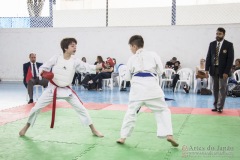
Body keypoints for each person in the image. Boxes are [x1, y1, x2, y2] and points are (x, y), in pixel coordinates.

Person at [19, 38, 104, 137]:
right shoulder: (56, 58)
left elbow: (88, 67)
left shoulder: (75, 61)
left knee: (82, 109)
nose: (75, 47)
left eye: (75, 45)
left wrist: (103, 65)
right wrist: (43, 73)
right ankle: (26, 127)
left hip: (67, 90)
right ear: (65, 48)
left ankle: (93, 129)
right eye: (72, 46)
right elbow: (43, 67)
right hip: (52, 89)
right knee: (36, 108)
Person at [116, 35, 178, 147]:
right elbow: (160, 71)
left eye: (130, 47)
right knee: (163, 110)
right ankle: (169, 134)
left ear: (134, 46)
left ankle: (123, 137)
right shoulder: (153, 54)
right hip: (152, 88)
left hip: (137, 90)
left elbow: (127, 78)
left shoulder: (131, 59)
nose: (130, 49)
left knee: (131, 112)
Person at [205, 27, 234, 113]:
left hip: (223, 70)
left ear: (223, 35)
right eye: (217, 33)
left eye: (220, 34)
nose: (218, 35)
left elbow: (230, 59)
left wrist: (226, 72)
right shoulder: (212, 44)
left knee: (222, 89)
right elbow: (208, 57)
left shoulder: (228, 45)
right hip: (214, 69)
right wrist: (206, 69)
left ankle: (220, 107)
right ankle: (215, 105)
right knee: (215, 88)